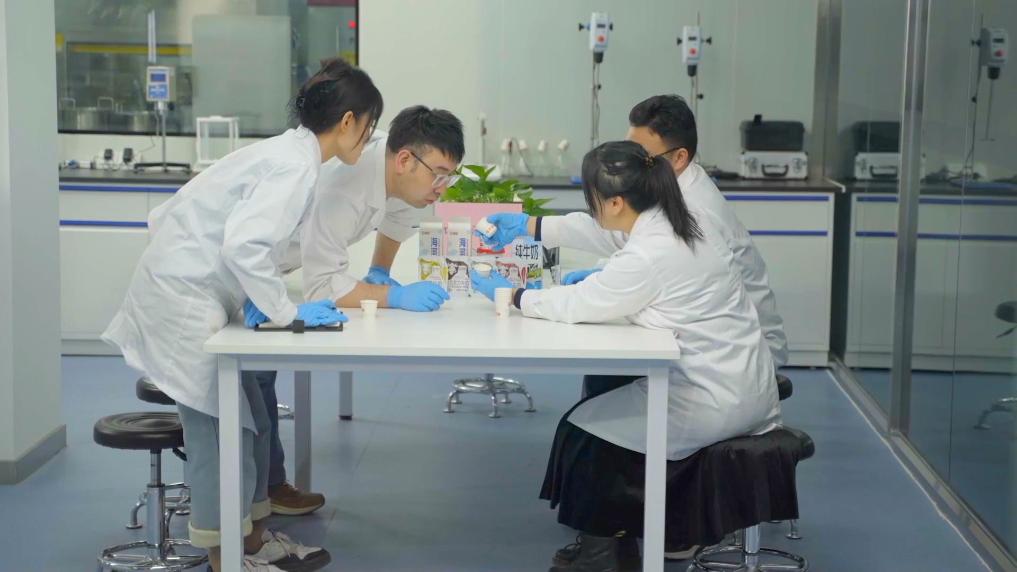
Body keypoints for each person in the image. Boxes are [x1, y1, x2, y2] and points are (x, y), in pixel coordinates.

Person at [102, 57, 383, 572]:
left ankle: (251, 541)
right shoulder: (294, 164)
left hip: (200, 296)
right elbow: (245, 245)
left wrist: (260, 294)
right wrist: (284, 311)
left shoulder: (290, 153)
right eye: (369, 127)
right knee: (220, 433)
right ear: (348, 121)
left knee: (251, 422)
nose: (368, 139)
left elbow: (194, 219)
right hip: (184, 305)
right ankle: (225, 557)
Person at [471, 141, 783, 572]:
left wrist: (515, 295)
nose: (591, 208)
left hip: (712, 398)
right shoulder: (680, 219)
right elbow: (613, 240)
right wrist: (535, 227)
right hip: (740, 381)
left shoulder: (651, 251)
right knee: (601, 400)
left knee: (584, 432)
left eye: (593, 199)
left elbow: (579, 305)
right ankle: (618, 535)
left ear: (617, 202)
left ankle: (605, 554)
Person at [244, 106, 462, 518]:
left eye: (450, 176)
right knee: (251, 377)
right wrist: (393, 296)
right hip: (246, 266)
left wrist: (380, 271)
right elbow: (323, 285)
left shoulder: (396, 171)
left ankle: (262, 490)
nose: (442, 187)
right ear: (405, 160)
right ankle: (255, 499)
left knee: (258, 377)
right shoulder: (345, 185)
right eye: (438, 174)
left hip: (267, 265)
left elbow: (398, 218)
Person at [569, 95, 788, 400]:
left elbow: (649, 255)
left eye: (644, 156)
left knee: (608, 372)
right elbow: (629, 238)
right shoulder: (673, 187)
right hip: (716, 341)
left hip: (734, 357)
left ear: (679, 157)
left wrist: (604, 277)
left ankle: (600, 427)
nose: (632, 163)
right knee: (608, 360)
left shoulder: (694, 207)